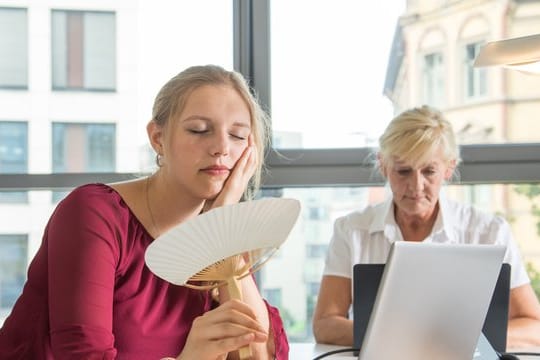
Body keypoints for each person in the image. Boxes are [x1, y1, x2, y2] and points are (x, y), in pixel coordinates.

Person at [0, 65, 288, 359]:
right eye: (199, 130)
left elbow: (258, 352)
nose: (221, 148)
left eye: (239, 136)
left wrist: (221, 220)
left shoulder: (218, 230)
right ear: (157, 138)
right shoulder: (93, 214)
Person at [312, 105, 540, 349]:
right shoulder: (351, 230)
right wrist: (415, 340)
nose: (416, 186)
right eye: (403, 171)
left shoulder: (489, 231)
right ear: (383, 166)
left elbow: (533, 327)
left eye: (429, 171)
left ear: (449, 168)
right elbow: (325, 325)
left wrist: (461, 342)